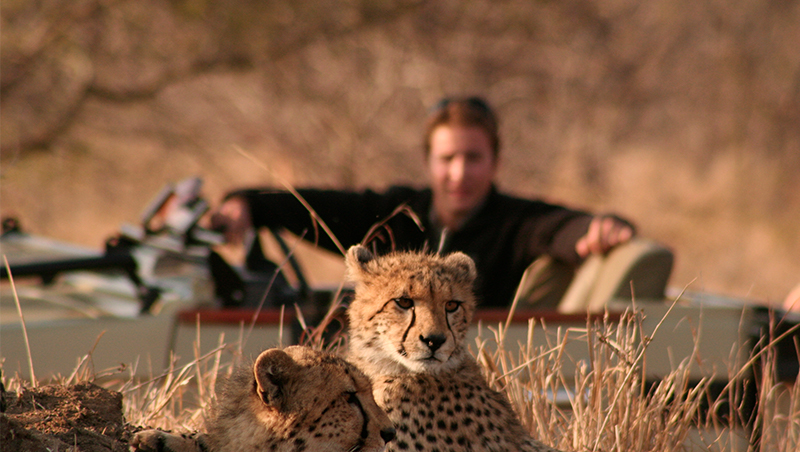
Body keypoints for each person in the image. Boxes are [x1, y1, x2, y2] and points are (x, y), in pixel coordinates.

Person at [210, 96, 634, 308]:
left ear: (496, 162)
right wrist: (247, 203)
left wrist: (600, 228)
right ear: (429, 162)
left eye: (473, 158)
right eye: (448, 158)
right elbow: (315, 208)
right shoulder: (399, 211)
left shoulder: (516, 222)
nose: (459, 173)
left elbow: (561, 227)